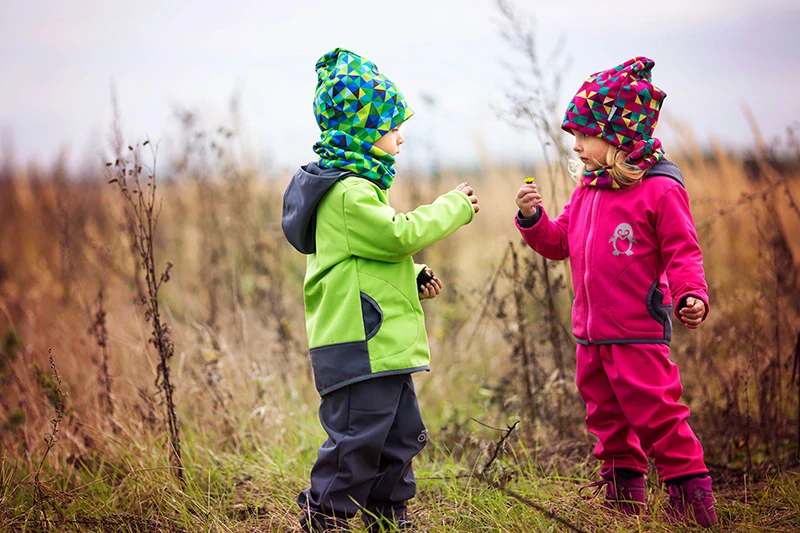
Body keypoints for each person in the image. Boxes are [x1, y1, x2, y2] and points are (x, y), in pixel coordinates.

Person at [514, 57, 718, 528]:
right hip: (592, 335)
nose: (578, 147)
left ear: (619, 137)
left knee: (659, 415)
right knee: (607, 421)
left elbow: (684, 251)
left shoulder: (660, 190)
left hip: (637, 330)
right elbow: (560, 242)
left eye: (585, 136)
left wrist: (692, 294)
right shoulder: (589, 190)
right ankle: (622, 502)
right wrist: (532, 220)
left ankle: (693, 503)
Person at [282, 47, 479, 532]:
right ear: (363, 133)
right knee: (356, 441)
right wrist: (452, 206)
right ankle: (323, 518)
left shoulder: (359, 189)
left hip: (380, 347)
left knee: (398, 436)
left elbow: (368, 260)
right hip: (359, 348)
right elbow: (397, 235)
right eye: (392, 128)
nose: (400, 136)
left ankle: (389, 517)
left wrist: (411, 274)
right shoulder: (347, 192)